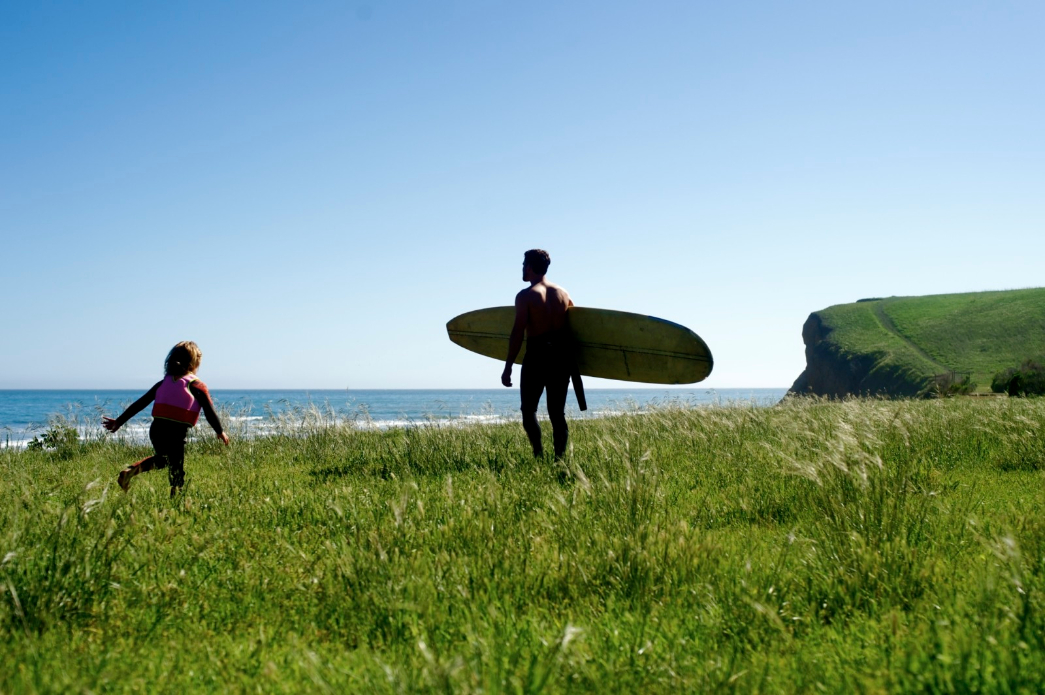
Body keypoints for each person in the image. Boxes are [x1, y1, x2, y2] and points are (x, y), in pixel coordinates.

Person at [102, 341, 229, 498]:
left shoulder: (163, 383)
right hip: (176, 433)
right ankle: (176, 501)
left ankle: (129, 472)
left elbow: (140, 403)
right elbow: (209, 411)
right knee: (176, 468)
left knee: (163, 460)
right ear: (194, 362)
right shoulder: (196, 385)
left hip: (157, 430)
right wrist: (220, 431)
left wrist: (119, 421)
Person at [502, 249, 585, 460]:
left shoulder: (526, 296)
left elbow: (518, 332)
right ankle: (559, 460)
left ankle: (538, 456)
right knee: (557, 414)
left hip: (537, 356)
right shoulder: (564, 294)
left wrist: (508, 366)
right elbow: (576, 324)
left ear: (529, 267)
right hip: (561, 357)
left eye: (524, 265)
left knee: (528, 411)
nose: (522, 268)